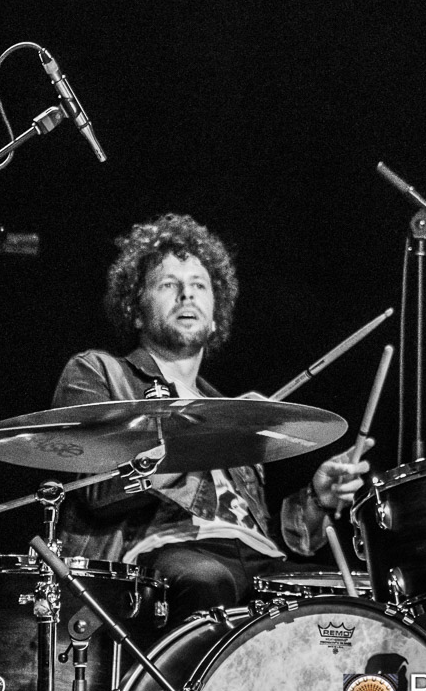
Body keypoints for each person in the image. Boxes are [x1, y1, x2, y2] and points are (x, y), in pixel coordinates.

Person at [52, 213, 371, 621]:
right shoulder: (100, 372)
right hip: (157, 556)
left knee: (345, 600)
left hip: (257, 560)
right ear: (134, 309)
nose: (187, 295)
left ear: (216, 314)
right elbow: (94, 491)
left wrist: (316, 500)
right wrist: (206, 437)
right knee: (206, 580)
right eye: (169, 285)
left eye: (199, 286)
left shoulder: (232, 408)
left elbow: (265, 531)